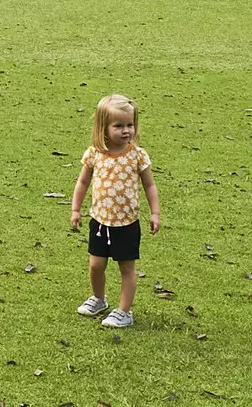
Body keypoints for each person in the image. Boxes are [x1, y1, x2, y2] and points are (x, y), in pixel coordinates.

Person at [69, 92, 161, 328]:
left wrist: (155, 213)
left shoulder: (137, 156)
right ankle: (99, 299)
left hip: (127, 224)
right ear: (103, 127)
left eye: (130, 124)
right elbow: (82, 183)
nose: (126, 130)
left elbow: (149, 185)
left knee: (126, 268)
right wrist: (76, 209)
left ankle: (124, 311)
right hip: (100, 222)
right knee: (96, 264)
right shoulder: (94, 154)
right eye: (118, 125)